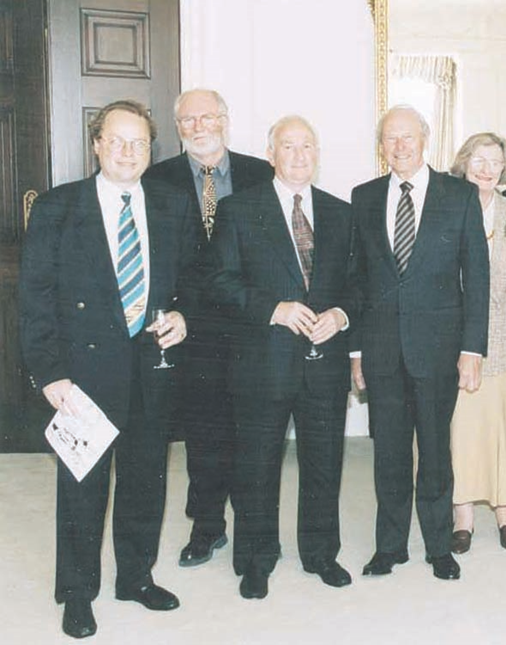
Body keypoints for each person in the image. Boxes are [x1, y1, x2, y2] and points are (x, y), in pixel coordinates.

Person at [19, 100, 202, 638]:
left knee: (146, 479)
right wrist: (50, 373)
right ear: (96, 144)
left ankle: (135, 577)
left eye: (140, 143)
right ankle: (78, 591)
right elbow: (35, 299)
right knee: (83, 486)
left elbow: (194, 280)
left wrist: (185, 317)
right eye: (117, 141)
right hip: (81, 375)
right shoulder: (58, 208)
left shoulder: (172, 204)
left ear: (152, 149)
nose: (128, 152)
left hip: (152, 367)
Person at [205, 115, 356, 599]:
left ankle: (320, 553)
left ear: (317, 153)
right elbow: (221, 283)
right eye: (287, 147)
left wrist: (342, 314)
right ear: (271, 154)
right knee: (257, 464)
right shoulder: (239, 209)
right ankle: (256, 559)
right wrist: (273, 308)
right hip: (263, 362)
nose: (298, 155)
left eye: (307, 146)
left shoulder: (340, 212)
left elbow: (361, 284)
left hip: (324, 364)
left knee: (324, 463)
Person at [350, 105, 489, 581]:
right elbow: (358, 281)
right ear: (381, 145)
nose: (400, 146)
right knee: (388, 453)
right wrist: (355, 353)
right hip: (382, 351)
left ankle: (437, 547)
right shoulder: (363, 197)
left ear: (425, 139)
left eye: (408, 137)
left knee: (434, 452)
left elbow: (479, 278)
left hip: (439, 350)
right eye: (391, 138)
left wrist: (472, 349)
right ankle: (388, 547)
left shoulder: (460, 195)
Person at [144, 88, 274, 568]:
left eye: (206, 117)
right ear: (177, 127)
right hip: (192, 327)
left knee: (255, 432)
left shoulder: (261, 173)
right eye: (187, 120)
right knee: (204, 435)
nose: (198, 127)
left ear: (225, 119)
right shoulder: (158, 178)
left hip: (253, 325)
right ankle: (207, 527)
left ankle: (256, 527)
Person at [447, 133, 506, 553]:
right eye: (478, 160)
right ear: (464, 163)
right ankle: (461, 513)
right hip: (457, 339)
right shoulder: (445, 209)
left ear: (504, 168)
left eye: (495, 162)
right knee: (462, 429)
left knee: (504, 426)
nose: (486, 169)